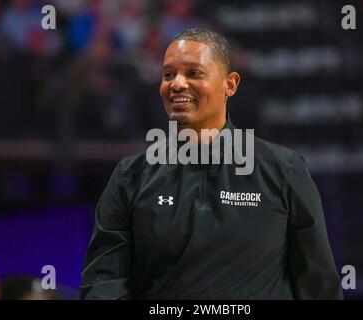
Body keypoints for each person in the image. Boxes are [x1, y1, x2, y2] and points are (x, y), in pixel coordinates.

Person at [80, 28, 343, 300]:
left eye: (194, 73)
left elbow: (318, 284)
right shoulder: (130, 176)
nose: (177, 84)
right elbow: (104, 281)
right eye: (168, 74)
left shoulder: (283, 170)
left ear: (230, 84)